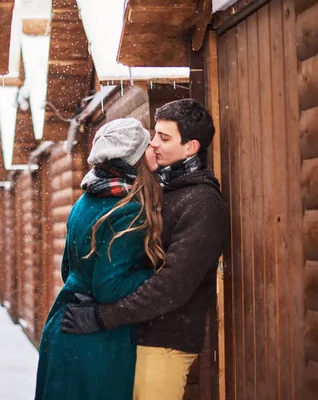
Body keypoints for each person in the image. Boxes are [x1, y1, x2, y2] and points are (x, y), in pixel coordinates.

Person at [61, 99, 228, 400]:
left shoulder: (202, 203)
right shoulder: (156, 190)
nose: (154, 145)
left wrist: (102, 317)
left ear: (191, 147)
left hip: (165, 344)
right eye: (154, 136)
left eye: (164, 138)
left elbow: (172, 285)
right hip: (132, 337)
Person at [34, 118, 165, 400]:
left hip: (63, 327)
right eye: (147, 144)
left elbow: (68, 268)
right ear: (134, 157)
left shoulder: (86, 200)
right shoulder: (127, 210)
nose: (154, 147)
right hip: (96, 344)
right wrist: (156, 274)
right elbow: (109, 287)